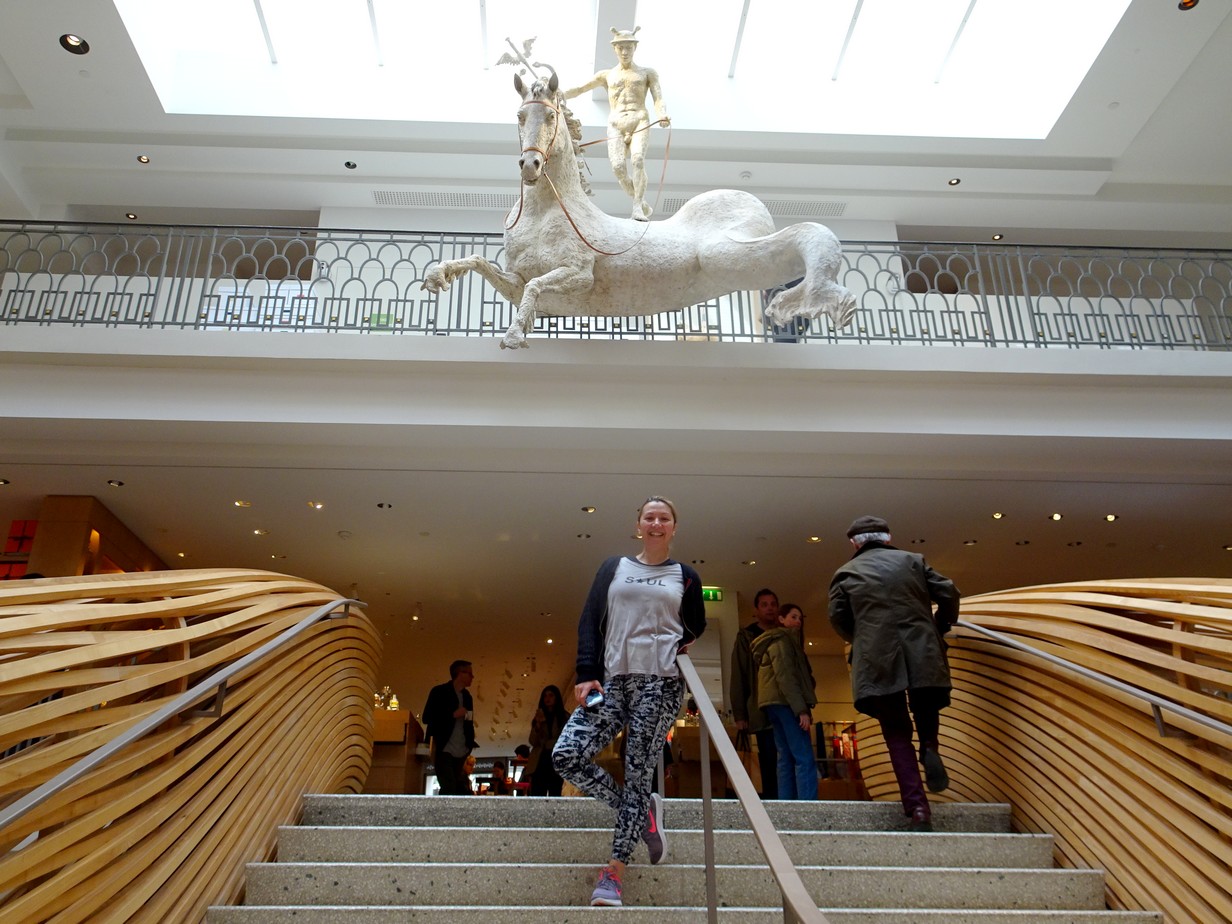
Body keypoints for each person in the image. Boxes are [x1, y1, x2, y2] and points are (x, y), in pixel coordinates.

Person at [552, 495, 706, 907]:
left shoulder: (685, 576)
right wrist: (587, 672)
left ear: (674, 527)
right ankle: (640, 812)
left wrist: (675, 646)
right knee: (566, 756)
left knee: (639, 772)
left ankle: (613, 875)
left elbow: (696, 624)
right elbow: (590, 619)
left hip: (661, 684)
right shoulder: (613, 568)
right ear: (638, 524)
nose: (657, 523)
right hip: (613, 682)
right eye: (649, 517)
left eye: (665, 518)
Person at [828, 515, 960, 831]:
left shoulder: (845, 573)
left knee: (897, 735)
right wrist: (939, 624)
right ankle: (929, 745)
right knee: (925, 706)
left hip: (877, 659)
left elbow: (837, 618)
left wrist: (862, 639)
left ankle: (918, 809)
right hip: (922, 648)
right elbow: (949, 592)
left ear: (854, 543)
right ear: (888, 538)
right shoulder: (913, 561)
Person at [562, 27, 668, 221]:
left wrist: (662, 114)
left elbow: (658, 98)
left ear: (635, 47)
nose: (625, 52)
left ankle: (637, 206)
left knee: (637, 160)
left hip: (639, 120)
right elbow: (580, 88)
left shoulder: (647, 73)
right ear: (615, 49)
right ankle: (640, 199)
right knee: (618, 167)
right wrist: (558, 94)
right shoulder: (607, 75)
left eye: (628, 47)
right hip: (616, 122)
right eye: (621, 48)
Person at [752, 603, 818, 800]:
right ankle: (808, 806)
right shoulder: (783, 642)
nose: (797, 621)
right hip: (786, 703)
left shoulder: (773, 642)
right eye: (793, 617)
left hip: (773, 704)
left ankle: (786, 803)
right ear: (781, 619)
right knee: (804, 756)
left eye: (799, 618)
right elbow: (786, 677)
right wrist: (801, 710)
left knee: (785, 757)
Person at [728, 588, 780, 799]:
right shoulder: (746, 637)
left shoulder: (784, 633)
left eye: (773, 604)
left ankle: (788, 800)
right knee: (768, 757)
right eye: (764, 604)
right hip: (761, 707)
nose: (769, 608)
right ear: (756, 610)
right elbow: (739, 673)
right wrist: (740, 714)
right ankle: (770, 801)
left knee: (787, 758)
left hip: (787, 706)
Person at [421, 659, 477, 796]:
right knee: (448, 785)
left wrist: (470, 740)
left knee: (454, 785)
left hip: (461, 748)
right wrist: (452, 714)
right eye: (469, 673)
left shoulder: (467, 697)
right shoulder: (439, 692)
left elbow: (469, 719)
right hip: (443, 746)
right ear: (460, 674)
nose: (472, 677)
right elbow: (427, 717)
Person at [527, 684, 569, 796]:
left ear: (556, 698)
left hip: (556, 760)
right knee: (537, 795)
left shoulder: (564, 717)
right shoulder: (538, 717)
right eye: (545, 696)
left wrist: (548, 743)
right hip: (539, 761)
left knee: (555, 794)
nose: (547, 699)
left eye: (551, 695)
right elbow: (532, 741)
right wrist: (538, 726)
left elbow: (565, 739)